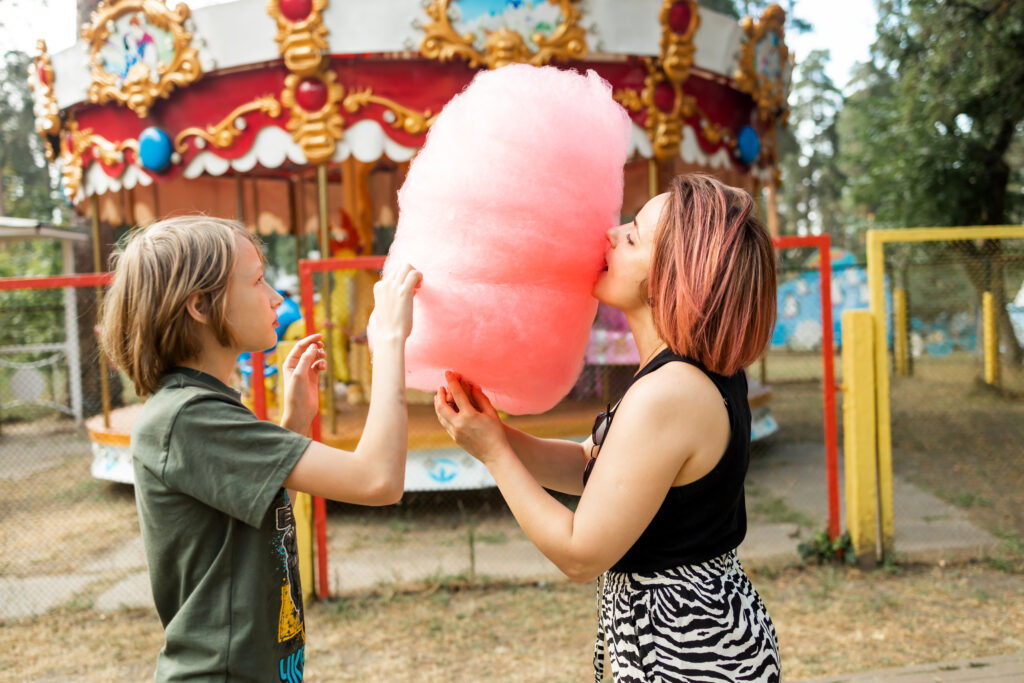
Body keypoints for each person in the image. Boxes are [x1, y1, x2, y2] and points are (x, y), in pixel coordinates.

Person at [434, 174, 780, 682]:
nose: (612, 234)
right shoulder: (686, 374)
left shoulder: (671, 394)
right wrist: (496, 432)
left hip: (688, 655)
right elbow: (594, 469)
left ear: (672, 278)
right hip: (700, 638)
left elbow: (580, 553)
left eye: (634, 236)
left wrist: (495, 457)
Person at [99, 216, 420, 681]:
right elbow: (378, 480)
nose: (276, 298)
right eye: (256, 281)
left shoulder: (203, 408)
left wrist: (294, 423)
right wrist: (389, 341)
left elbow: (266, 513)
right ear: (200, 306)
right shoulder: (189, 418)